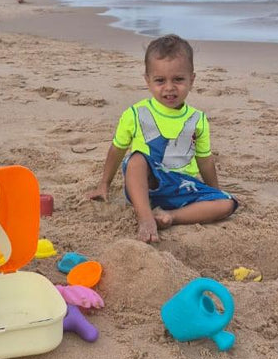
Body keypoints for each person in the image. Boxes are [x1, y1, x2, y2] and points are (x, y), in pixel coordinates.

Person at [85, 34, 238, 243]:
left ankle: (170, 217)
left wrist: (214, 190)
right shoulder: (136, 114)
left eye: (178, 79)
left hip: (182, 187)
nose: (169, 87)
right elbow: (117, 150)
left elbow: (205, 160)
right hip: (145, 187)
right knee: (137, 159)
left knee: (226, 203)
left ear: (191, 80)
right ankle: (146, 217)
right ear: (147, 81)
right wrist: (104, 183)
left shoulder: (197, 119)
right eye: (160, 80)